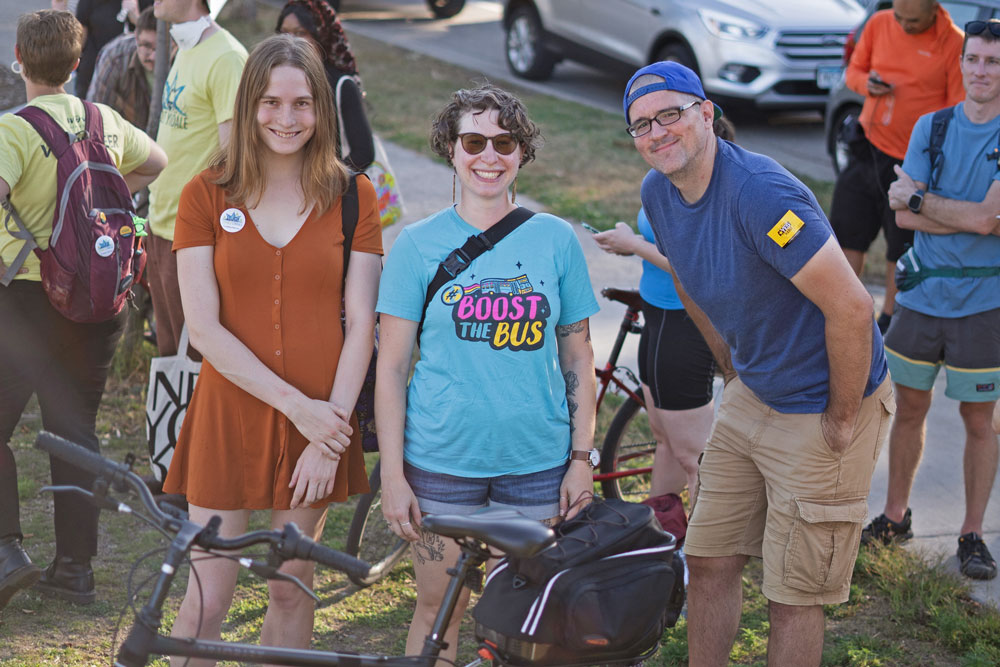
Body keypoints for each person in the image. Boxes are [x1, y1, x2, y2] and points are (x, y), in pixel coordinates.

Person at [624, 61, 891, 665]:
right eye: (642, 124)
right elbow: (687, 277)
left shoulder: (761, 194)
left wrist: (844, 422)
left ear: (707, 115)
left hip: (827, 396)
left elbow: (852, 308)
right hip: (755, 390)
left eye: (671, 114)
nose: (658, 132)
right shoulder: (658, 192)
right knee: (709, 557)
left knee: (793, 593)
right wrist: (730, 366)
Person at [161, 34, 382, 662]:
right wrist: (300, 409)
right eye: (271, 103)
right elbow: (202, 327)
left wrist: (325, 432)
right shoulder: (205, 193)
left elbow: (362, 323)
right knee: (207, 593)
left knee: (289, 589)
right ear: (249, 103)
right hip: (230, 413)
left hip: (322, 423)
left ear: (322, 111)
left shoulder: (352, 196)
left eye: (303, 104)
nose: (287, 120)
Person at [376, 83, 599, 664]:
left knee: (524, 621)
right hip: (441, 465)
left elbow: (578, 356)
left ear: (522, 153)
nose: (489, 156)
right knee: (437, 608)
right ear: (450, 148)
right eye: (474, 141)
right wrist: (393, 475)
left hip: (537, 466)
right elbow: (392, 367)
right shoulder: (415, 247)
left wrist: (581, 460)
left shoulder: (556, 239)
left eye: (504, 142)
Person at [0, 8, 166, 610]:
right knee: (73, 431)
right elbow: (157, 164)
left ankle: (4, 552)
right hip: (98, 296)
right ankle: (75, 570)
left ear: (19, 59)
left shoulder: (13, 131)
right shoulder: (103, 121)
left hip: (24, 299)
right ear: (77, 64)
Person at [867, 18, 1000, 581]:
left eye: (993, 62)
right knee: (907, 410)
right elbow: (900, 214)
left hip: (983, 302)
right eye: (973, 59)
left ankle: (972, 533)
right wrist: (936, 209)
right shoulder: (932, 126)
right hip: (921, 297)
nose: (981, 71)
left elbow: (987, 219)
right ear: (961, 62)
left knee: (979, 420)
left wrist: (923, 198)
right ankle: (895, 517)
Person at [591, 118, 734, 507]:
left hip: (686, 322)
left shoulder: (710, 191)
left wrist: (633, 245)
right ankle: (662, 537)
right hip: (657, 313)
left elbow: (696, 267)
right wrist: (632, 238)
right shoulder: (668, 181)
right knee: (664, 438)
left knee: (695, 456)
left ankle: (709, 555)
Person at [829, 0, 964, 332]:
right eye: (900, 17)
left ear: (935, 9)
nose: (904, 25)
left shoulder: (953, 42)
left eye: (913, 21)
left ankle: (889, 319)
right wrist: (867, 85)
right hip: (868, 145)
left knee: (900, 243)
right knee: (846, 231)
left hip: (913, 163)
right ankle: (840, 310)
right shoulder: (879, 23)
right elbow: (854, 71)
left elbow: (957, 110)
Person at [146, 0, 247, 358]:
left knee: (195, 365)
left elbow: (234, 161)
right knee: (170, 356)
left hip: (191, 237)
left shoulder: (227, 58)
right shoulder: (188, 47)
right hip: (160, 226)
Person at [277, 0, 374, 172]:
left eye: (300, 33)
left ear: (321, 36)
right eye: (284, 33)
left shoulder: (341, 85)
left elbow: (363, 152)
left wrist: (324, 182)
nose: (290, 40)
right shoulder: (273, 80)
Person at [86, 6, 165, 132]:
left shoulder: (182, 57)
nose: (154, 56)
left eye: (161, 48)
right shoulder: (115, 57)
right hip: (126, 139)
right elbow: (97, 113)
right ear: (136, 38)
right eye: (147, 46)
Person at [74, 0, 153, 99]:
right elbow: (81, 34)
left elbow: (154, 37)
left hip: (132, 78)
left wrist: (135, 17)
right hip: (91, 74)